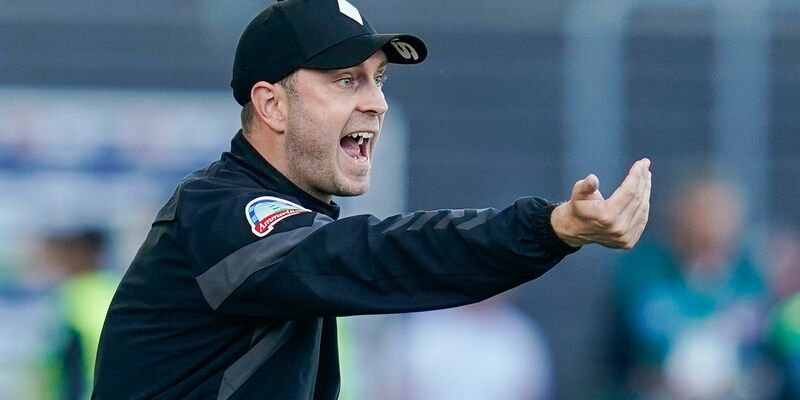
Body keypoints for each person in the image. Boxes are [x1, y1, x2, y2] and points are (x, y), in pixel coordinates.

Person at [92, 0, 651, 398]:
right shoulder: (221, 213)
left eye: (379, 79)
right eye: (346, 80)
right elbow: (374, 254)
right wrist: (547, 227)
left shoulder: (269, 218)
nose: (377, 102)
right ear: (272, 106)